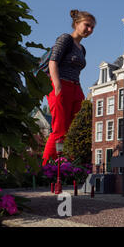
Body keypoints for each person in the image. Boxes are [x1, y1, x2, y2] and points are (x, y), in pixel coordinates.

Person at [42, 10, 96, 166]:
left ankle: (66, 164)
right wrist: (57, 85)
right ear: (77, 24)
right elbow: (53, 61)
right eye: (87, 25)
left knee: (74, 128)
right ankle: (45, 167)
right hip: (60, 84)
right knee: (59, 128)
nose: (90, 30)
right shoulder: (66, 39)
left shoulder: (82, 49)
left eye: (92, 27)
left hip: (75, 87)